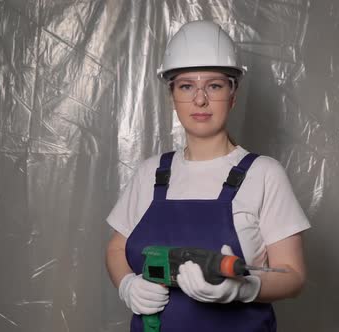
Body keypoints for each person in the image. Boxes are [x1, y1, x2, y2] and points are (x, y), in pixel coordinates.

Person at [105, 20, 311, 332]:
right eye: (186, 86)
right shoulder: (151, 172)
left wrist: (244, 288)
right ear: (172, 94)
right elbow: (116, 248)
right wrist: (127, 285)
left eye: (214, 85)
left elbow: (293, 275)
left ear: (233, 93)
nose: (200, 100)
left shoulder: (264, 174)